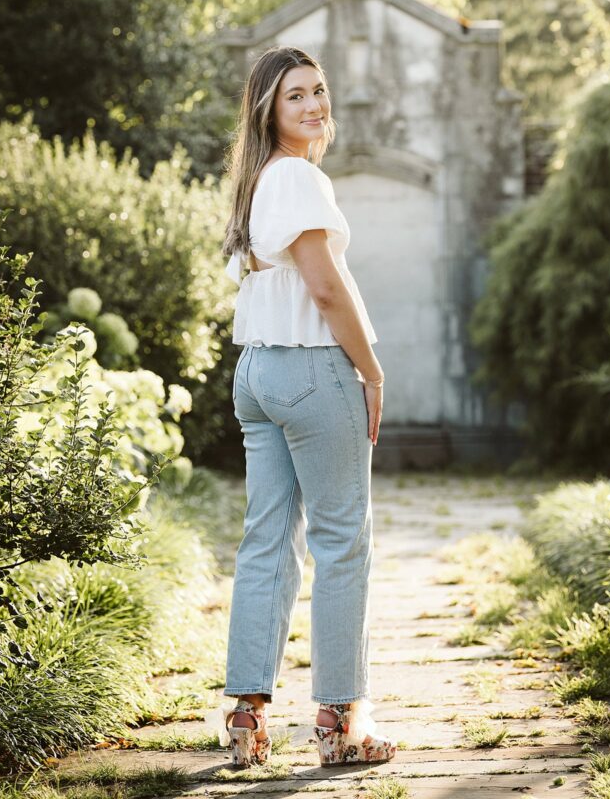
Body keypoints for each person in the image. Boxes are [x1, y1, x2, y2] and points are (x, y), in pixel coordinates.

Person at [217, 45, 396, 769]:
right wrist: (372, 371)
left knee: (266, 542)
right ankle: (339, 725)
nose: (313, 105)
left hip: (256, 374)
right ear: (269, 110)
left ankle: (245, 721)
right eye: (295, 96)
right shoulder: (298, 177)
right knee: (340, 543)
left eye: (318, 90)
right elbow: (325, 290)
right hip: (310, 373)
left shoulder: (256, 181)